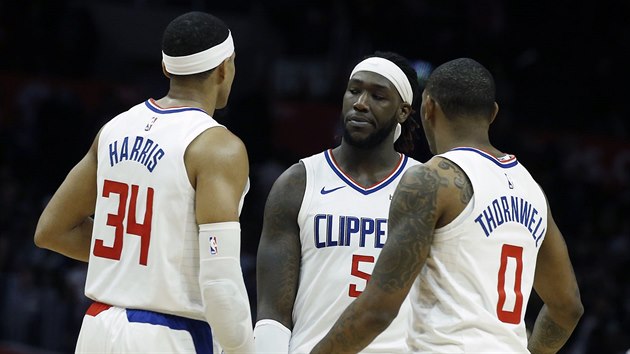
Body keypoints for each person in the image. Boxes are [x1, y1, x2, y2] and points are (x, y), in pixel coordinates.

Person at [311, 58, 584, 354]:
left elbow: (377, 310)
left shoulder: (431, 180)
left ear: (428, 107)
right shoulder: (531, 189)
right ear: (492, 114)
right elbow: (567, 308)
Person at [34, 11, 254, 354]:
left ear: (166, 68)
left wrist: (138, 262)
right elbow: (221, 284)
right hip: (168, 336)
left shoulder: (114, 128)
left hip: (96, 327)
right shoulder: (218, 147)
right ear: (226, 68)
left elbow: (52, 230)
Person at [254, 51, 422, 353]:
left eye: (378, 96)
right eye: (354, 90)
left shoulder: (426, 186)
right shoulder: (298, 182)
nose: (360, 103)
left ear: (403, 112)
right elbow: (273, 313)